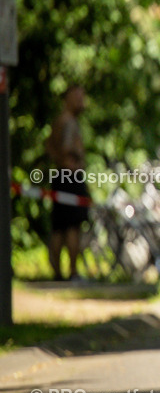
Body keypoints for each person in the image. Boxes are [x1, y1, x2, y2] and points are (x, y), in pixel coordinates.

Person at [46, 84, 90, 281]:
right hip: (70, 177)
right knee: (72, 226)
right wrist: (77, 154)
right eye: (79, 98)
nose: (83, 103)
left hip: (61, 176)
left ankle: (57, 272)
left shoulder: (58, 121)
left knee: (59, 226)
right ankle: (72, 271)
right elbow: (64, 148)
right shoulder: (68, 121)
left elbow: (49, 146)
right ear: (69, 98)